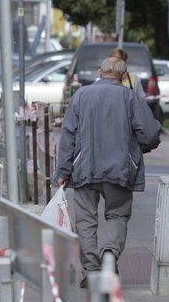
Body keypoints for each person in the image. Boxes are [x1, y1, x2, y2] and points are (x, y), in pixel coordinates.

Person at [55, 55, 161, 286]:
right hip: (120, 168)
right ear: (123, 76)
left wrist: (63, 171)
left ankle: (92, 271)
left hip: (84, 168)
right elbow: (151, 134)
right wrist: (142, 146)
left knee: (85, 220)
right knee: (117, 214)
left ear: (99, 72)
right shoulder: (130, 97)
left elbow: (68, 136)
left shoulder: (80, 96)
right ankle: (109, 255)